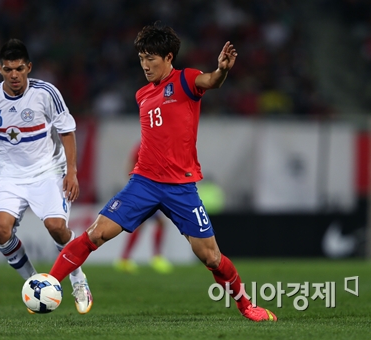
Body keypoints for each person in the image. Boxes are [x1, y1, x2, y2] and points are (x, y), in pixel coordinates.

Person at [48, 23, 277, 322]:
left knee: (211, 257)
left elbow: (211, 81)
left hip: (181, 187)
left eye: (151, 58)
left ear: (169, 57)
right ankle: (49, 283)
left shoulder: (186, 80)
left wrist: (222, 70)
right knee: (96, 234)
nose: (145, 65)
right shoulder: (142, 94)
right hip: (143, 182)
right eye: (142, 58)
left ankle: (246, 305)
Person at [0, 39, 92, 314]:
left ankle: (78, 279)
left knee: (56, 227)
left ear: (29, 68)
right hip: (10, 178)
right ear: (0, 69)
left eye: (19, 68)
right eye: (8, 69)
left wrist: (71, 172)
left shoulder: (46, 93)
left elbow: (67, 131)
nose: (14, 75)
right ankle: (35, 285)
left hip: (47, 171)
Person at [114, 142, 173, 274]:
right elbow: (130, 164)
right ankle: (154, 258)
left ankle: (125, 258)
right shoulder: (145, 146)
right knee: (152, 223)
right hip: (145, 190)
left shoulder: (152, 146)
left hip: (152, 190)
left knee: (146, 223)